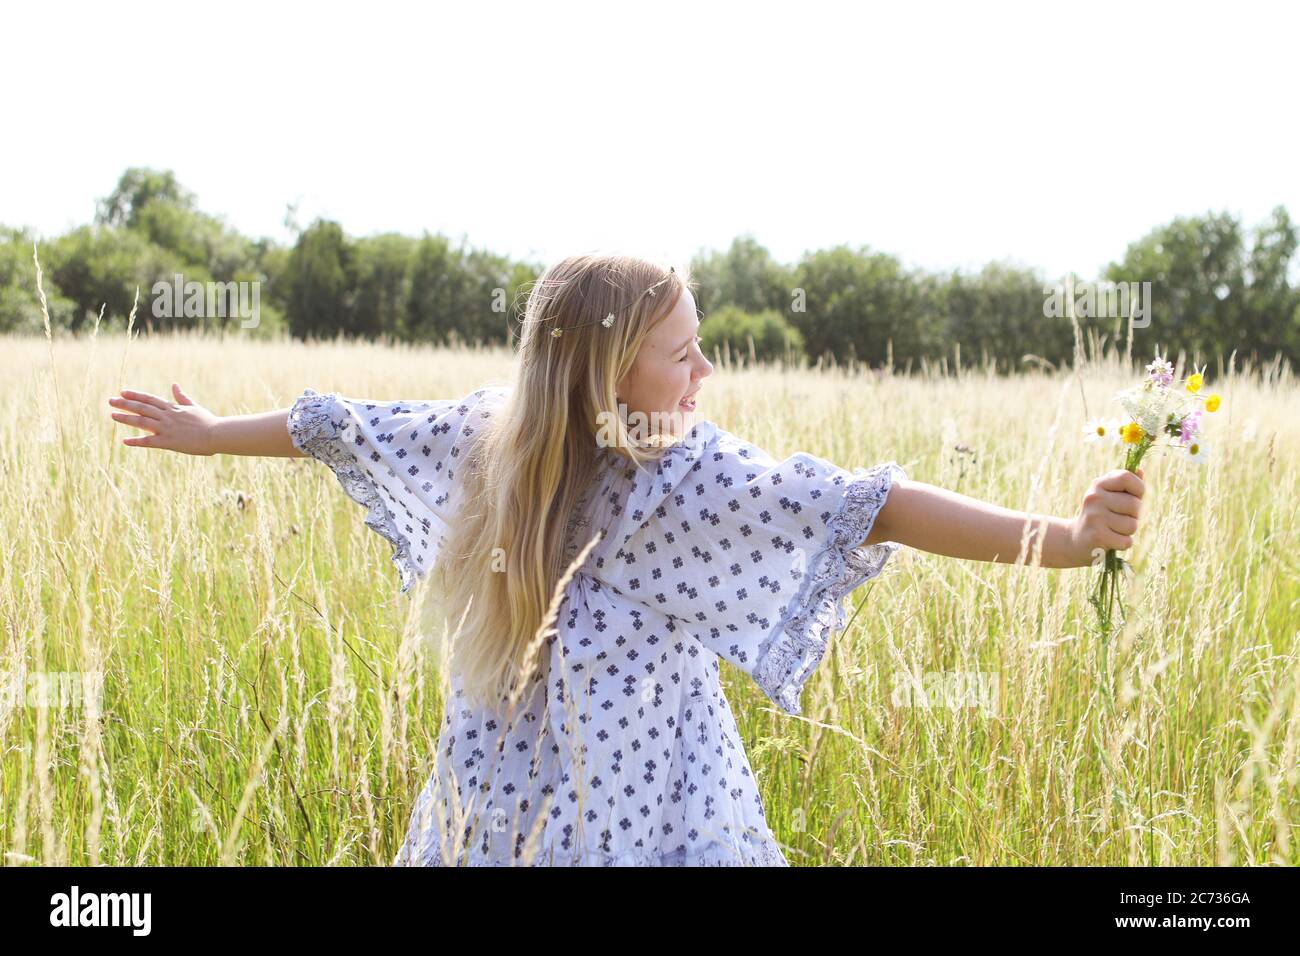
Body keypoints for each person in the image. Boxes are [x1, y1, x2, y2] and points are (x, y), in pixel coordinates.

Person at [107, 253, 1146, 866]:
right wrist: (207, 436)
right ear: (609, 366)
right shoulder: (557, 455)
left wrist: (1063, 539)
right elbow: (335, 422)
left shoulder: (584, 453)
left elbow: (873, 505)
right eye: (683, 351)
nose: (706, 368)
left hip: (576, 800)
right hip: (579, 804)